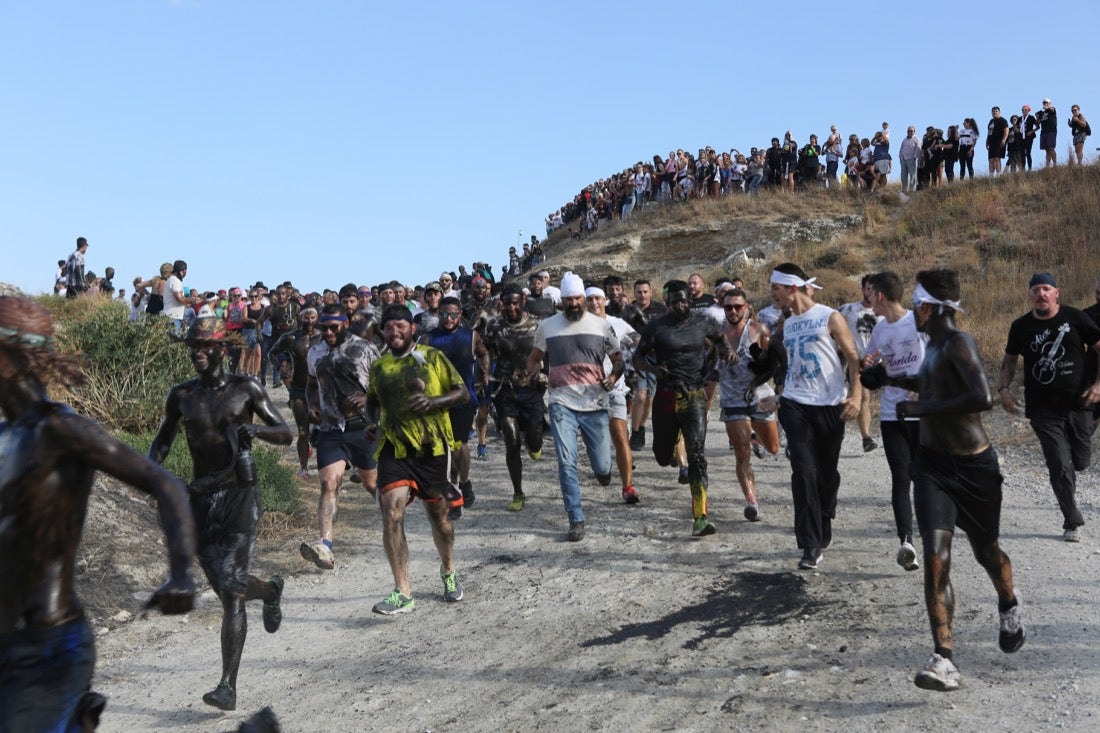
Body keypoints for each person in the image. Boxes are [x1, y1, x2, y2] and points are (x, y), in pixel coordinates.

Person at [0, 296, 196, 732]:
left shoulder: (60, 429)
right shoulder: (6, 435)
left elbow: (165, 483)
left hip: (48, 648)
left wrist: (181, 572)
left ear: (11, 353)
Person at [886, 269, 1024, 692]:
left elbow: (981, 397)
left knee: (987, 553)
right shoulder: (931, 348)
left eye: (915, 304)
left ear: (928, 307)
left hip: (974, 467)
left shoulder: (959, 342)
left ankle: (1009, 603)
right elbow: (928, 384)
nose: (912, 311)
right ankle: (943, 658)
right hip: (933, 467)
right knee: (935, 556)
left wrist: (922, 409)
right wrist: (886, 379)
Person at [149, 316, 293, 711]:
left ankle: (227, 685)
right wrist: (155, 475)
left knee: (231, 593)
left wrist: (258, 432)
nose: (198, 352)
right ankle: (270, 590)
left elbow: (286, 433)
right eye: (193, 346)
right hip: (199, 498)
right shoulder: (181, 396)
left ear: (222, 350)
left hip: (240, 496)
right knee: (230, 585)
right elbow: (162, 441)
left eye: (205, 346)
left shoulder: (246, 388)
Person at [366, 305, 469, 614]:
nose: (394, 332)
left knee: (438, 516)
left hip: (433, 448)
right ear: (383, 332)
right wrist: (371, 422)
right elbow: (372, 403)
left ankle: (448, 570)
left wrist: (433, 401)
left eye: (400, 326)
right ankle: (403, 590)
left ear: (412, 327)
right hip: (394, 449)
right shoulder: (380, 366)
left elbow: (462, 393)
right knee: (391, 512)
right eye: (388, 328)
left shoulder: (433, 357)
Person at [770, 263, 862, 569]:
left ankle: (825, 515)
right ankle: (809, 545)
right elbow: (785, 365)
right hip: (795, 406)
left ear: (792, 288)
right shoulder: (786, 325)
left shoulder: (829, 316)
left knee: (826, 475)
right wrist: (779, 396)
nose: (773, 295)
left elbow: (852, 357)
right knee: (803, 472)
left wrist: (857, 395)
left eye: (776, 288)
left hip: (830, 405)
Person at [999, 272, 1100, 542]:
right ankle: (1071, 520)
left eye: (1046, 289)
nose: (1041, 294)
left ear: (1056, 293)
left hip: (1079, 405)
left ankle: (1071, 474)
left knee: (1079, 461)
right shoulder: (1020, 326)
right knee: (1059, 463)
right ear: (1029, 295)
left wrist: (1098, 384)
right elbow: (1009, 361)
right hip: (1042, 410)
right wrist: (1004, 388)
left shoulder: (1075, 318)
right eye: (1036, 290)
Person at [525, 272, 623, 541]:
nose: (573, 303)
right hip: (561, 403)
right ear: (562, 301)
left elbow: (618, 360)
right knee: (566, 462)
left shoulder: (601, 326)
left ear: (584, 298)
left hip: (595, 402)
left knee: (602, 466)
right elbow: (534, 359)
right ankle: (575, 518)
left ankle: (602, 472)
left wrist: (613, 378)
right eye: (568, 299)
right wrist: (534, 374)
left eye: (578, 298)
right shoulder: (548, 326)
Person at [634, 279, 729, 537]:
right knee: (662, 457)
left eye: (684, 300)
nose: (680, 305)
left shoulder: (701, 322)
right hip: (666, 396)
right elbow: (637, 357)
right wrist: (654, 369)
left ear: (690, 300)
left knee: (698, 455)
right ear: (666, 302)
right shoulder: (656, 327)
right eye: (674, 301)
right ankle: (674, 448)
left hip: (694, 395)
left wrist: (723, 356)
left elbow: (720, 340)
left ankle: (700, 516)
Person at [300, 304, 382, 570]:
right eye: (324, 327)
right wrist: (312, 404)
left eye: (333, 327)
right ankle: (325, 546)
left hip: (363, 427)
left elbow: (384, 384)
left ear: (345, 323)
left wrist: (370, 399)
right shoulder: (315, 352)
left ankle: (394, 521)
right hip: (331, 429)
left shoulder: (365, 348)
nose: (328, 332)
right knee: (329, 484)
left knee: (373, 485)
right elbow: (311, 385)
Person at [859, 271, 925, 570]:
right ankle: (906, 542)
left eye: (870, 292)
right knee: (901, 477)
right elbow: (868, 362)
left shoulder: (919, 322)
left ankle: (936, 531)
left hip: (922, 413)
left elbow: (940, 358)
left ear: (881, 296)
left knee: (926, 477)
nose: (867, 297)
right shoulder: (880, 329)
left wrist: (926, 391)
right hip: (891, 414)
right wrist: (868, 369)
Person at [420, 296, 490, 519]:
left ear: (460, 315)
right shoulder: (427, 339)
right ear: (438, 314)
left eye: (453, 314)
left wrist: (484, 372)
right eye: (444, 314)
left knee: (458, 446)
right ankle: (454, 496)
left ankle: (464, 482)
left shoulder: (470, 337)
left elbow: (483, 353)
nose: (448, 319)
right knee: (442, 450)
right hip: (436, 403)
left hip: (463, 400)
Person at [717, 287, 781, 522]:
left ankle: (757, 437)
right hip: (732, 398)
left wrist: (759, 379)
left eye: (738, 306)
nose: (733, 311)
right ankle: (751, 500)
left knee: (773, 448)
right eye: (728, 307)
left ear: (746, 308)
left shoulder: (758, 330)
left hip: (759, 396)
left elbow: (773, 364)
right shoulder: (716, 333)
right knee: (742, 452)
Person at [482, 284, 546, 511]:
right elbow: (486, 352)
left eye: (515, 302)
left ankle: (534, 441)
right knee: (511, 439)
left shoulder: (538, 325)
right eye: (507, 302)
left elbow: (547, 352)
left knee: (535, 440)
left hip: (531, 387)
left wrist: (545, 374)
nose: (510, 307)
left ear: (523, 301)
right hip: (504, 387)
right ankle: (518, 492)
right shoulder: (494, 326)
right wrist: (486, 374)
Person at [585, 286, 641, 505]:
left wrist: (643, 350)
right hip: (586, 393)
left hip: (614, 388)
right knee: (597, 441)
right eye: (589, 300)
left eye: (598, 299)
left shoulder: (617, 324)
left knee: (619, 434)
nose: (594, 303)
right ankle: (603, 468)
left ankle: (628, 487)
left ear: (605, 300)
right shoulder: (577, 326)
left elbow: (637, 340)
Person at [268, 306, 322, 477]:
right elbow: (272, 353)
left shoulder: (324, 337)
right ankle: (304, 469)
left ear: (317, 318)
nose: (309, 321)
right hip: (299, 387)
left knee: (323, 429)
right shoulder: (291, 337)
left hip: (321, 388)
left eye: (312, 317)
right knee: (302, 431)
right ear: (300, 318)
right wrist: (280, 367)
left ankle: (325, 465)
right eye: (306, 318)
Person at [838, 275, 883, 452]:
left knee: (865, 397)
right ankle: (838, 431)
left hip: (871, 361)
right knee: (845, 396)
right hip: (851, 359)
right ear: (863, 289)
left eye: (874, 289)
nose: (871, 292)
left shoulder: (882, 314)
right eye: (868, 288)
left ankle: (865, 437)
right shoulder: (848, 309)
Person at [624, 279, 669, 450]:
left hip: (655, 359)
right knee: (640, 395)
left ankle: (641, 427)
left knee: (649, 399)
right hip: (635, 359)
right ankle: (635, 432)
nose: (642, 295)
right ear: (634, 293)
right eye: (639, 292)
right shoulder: (627, 311)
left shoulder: (661, 310)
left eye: (645, 292)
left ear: (650, 292)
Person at [163, 260, 190, 333]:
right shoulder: (176, 281)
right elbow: (179, 298)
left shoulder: (170, 280)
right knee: (173, 342)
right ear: (183, 271)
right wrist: (191, 300)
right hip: (173, 317)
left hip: (172, 316)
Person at [987, 107, 1009, 176]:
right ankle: (991, 176)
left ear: (999, 112)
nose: (994, 113)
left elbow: (1006, 130)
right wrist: (987, 141)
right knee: (991, 159)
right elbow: (989, 132)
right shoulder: (991, 121)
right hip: (991, 142)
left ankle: (998, 175)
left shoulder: (1003, 120)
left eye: (996, 111)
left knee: (997, 158)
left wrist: (1004, 140)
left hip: (999, 142)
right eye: (993, 111)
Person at [1037, 97, 1058, 167]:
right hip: (1043, 132)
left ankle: (1055, 163)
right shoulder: (1042, 113)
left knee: (1051, 147)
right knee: (1046, 149)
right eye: (1044, 103)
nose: (1045, 104)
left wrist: (1048, 107)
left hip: (1051, 131)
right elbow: (1037, 124)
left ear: (1049, 103)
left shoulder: (1052, 110)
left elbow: (1052, 109)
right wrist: (1038, 117)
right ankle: (1047, 165)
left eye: (1046, 103)